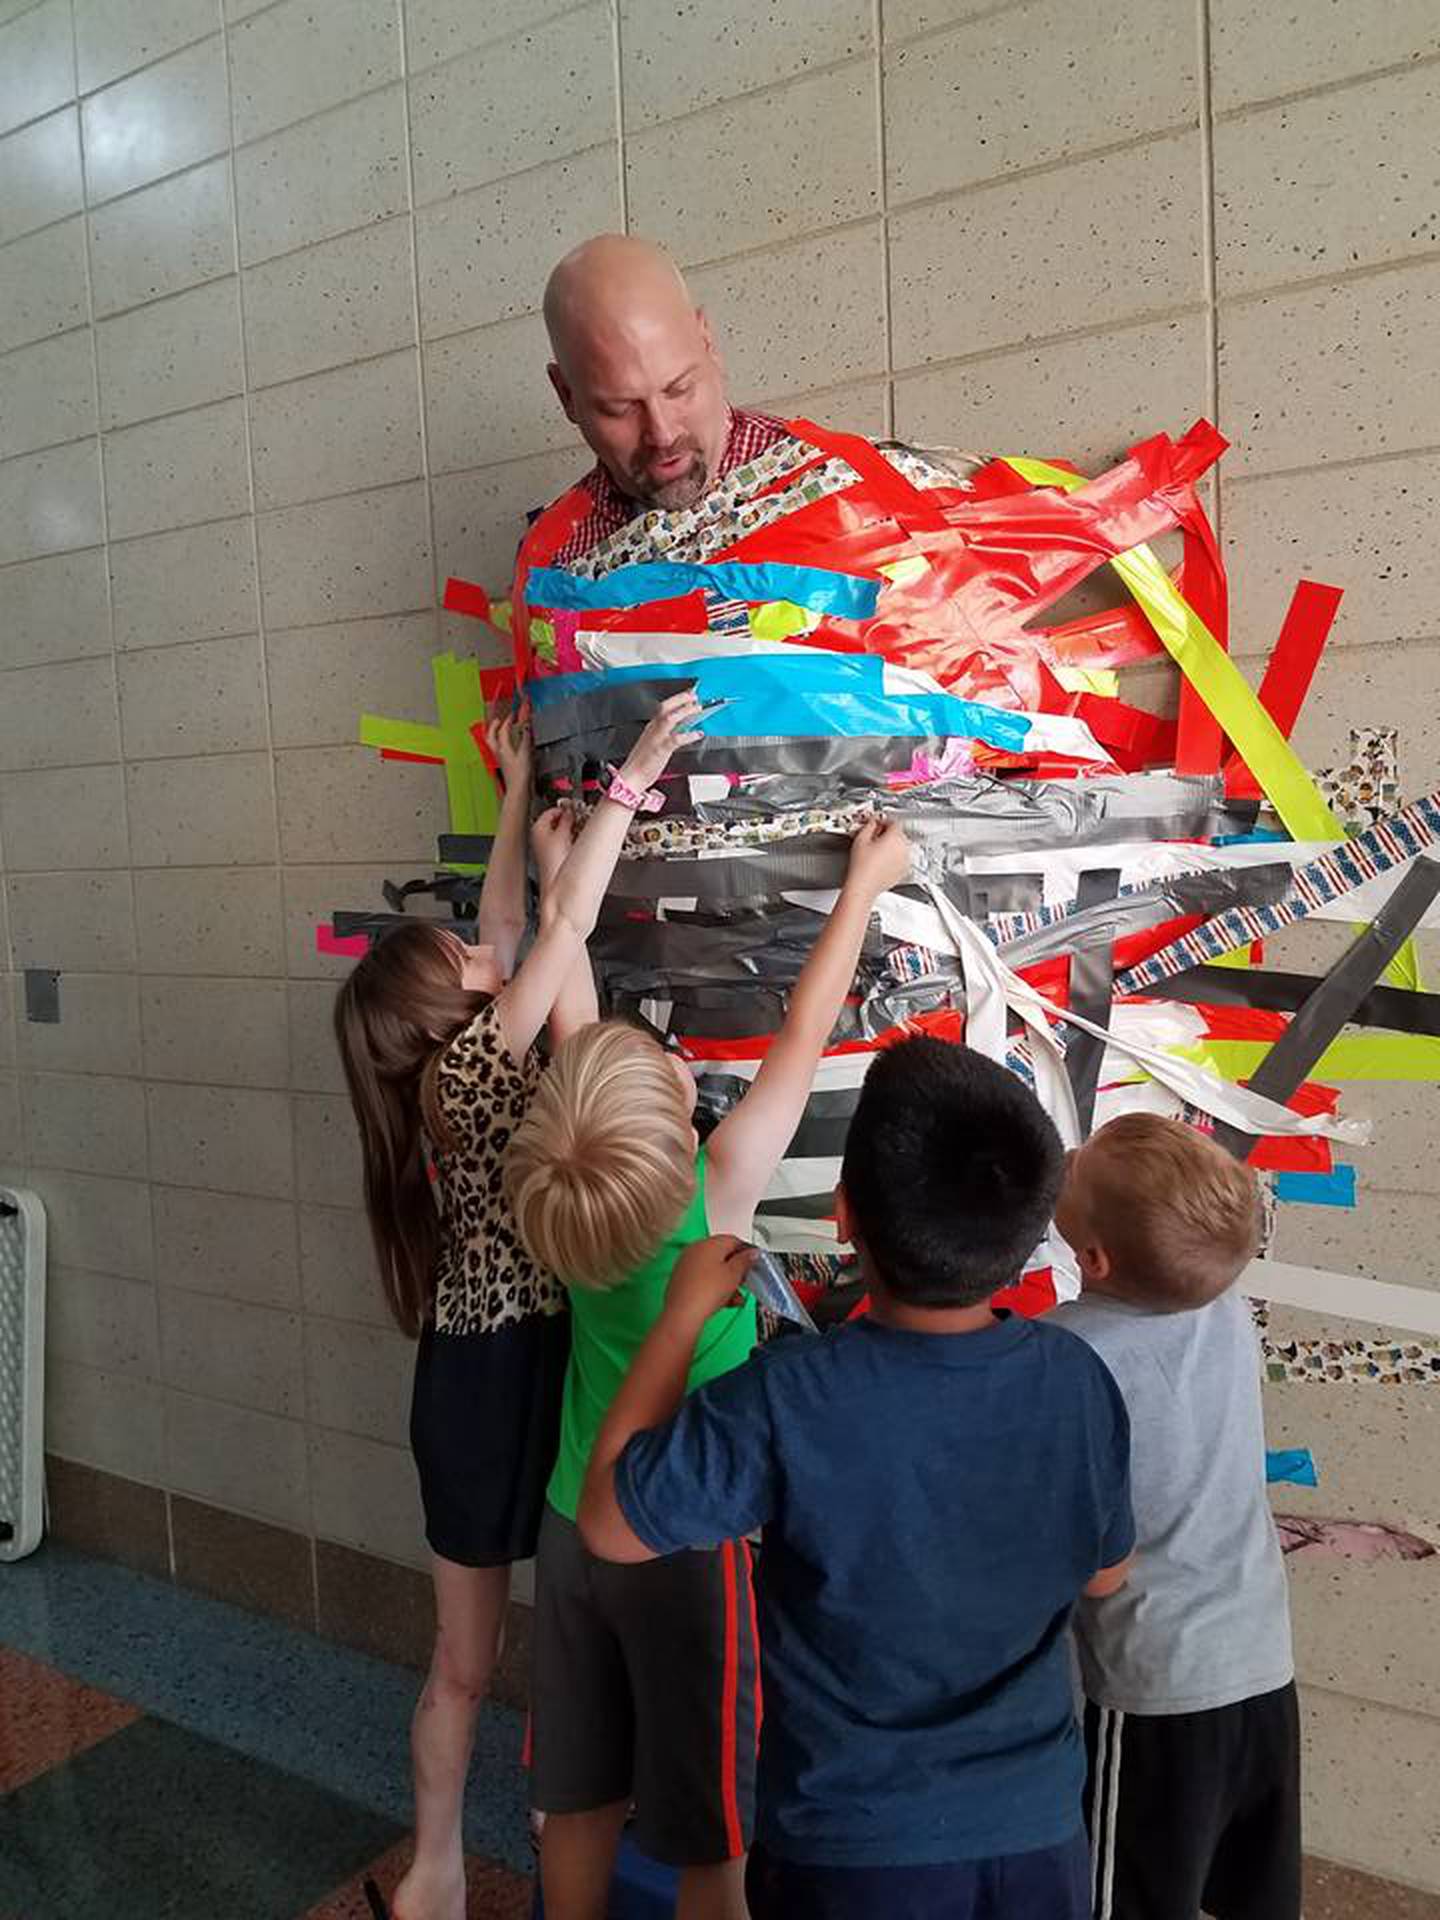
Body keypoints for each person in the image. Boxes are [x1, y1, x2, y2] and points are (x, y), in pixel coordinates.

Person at [575, 1035, 1136, 1920]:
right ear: (1033, 1230)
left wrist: (678, 1321)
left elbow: (609, 1522)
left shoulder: (788, 1398)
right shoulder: (1076, 1380)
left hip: (851, 1851)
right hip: (1037, 1839)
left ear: (844, 1215)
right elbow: (1106, 1574)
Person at [502, 817, 914, 1920]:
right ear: (681, 1135)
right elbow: (807, 1033)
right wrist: (865, 886)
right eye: (675, 1080)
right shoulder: (715, 1196)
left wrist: (560, 883)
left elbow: (579, 1045)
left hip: (568, 1522)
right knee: (711, 1833)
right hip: (689, 1541)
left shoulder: (572, 1199)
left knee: (578, 1797)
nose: (681, 1066)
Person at [333, 690, 702, 1920]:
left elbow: (513, 922)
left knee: (464, 1659)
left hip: (464, 1380)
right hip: (521, 1378)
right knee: (538, 1640)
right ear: (454, 1007)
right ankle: (544, 1843)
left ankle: (435, 1872)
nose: (480, 946)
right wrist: (633, 777)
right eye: (462, 963)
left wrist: (508, 801)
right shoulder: (480, 1065)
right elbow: (568, 919)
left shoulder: (432, 1078)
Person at [1051, 1114, 1298, 1920]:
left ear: (1091, 1260)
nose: (1066, 1157)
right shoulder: (1224, 1304)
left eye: (1073, 1166)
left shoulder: (1066, 1355)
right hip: (1262, 1661)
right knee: (1248, 1892)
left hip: (1153, 1687)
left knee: (1126, 1895)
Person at [541, 231, 791, 555]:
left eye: (679, 388)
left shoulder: (841, 496)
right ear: (566, 395)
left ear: (707, 343)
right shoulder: (553, 561)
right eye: (620, 407)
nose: (663, 434)